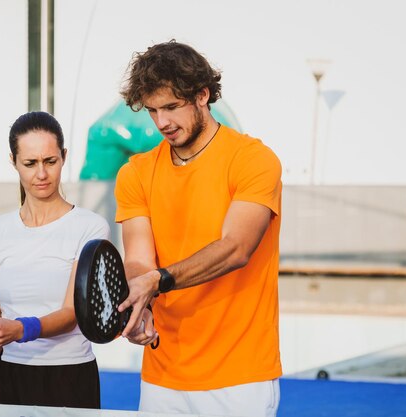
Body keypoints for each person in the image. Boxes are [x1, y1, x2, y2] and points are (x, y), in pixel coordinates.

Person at [114, 40, 283, 417]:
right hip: (162, 374)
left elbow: (236, 248)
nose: (162, 123)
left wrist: (157, 281)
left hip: (241, 377)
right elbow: (139, 261)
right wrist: (140, 305)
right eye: (153, 110)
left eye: (172, 107)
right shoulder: (135, 173)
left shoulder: (253, 160)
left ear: (202, 95)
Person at [0, 111, 110, 408]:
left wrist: (21, 329)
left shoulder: (91, 227)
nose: (42, 174)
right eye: (30, 163)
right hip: (2, 377)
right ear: (13, 161)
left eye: (50, 161)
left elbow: (74, 311)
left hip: (69, 375)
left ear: (64, 156)